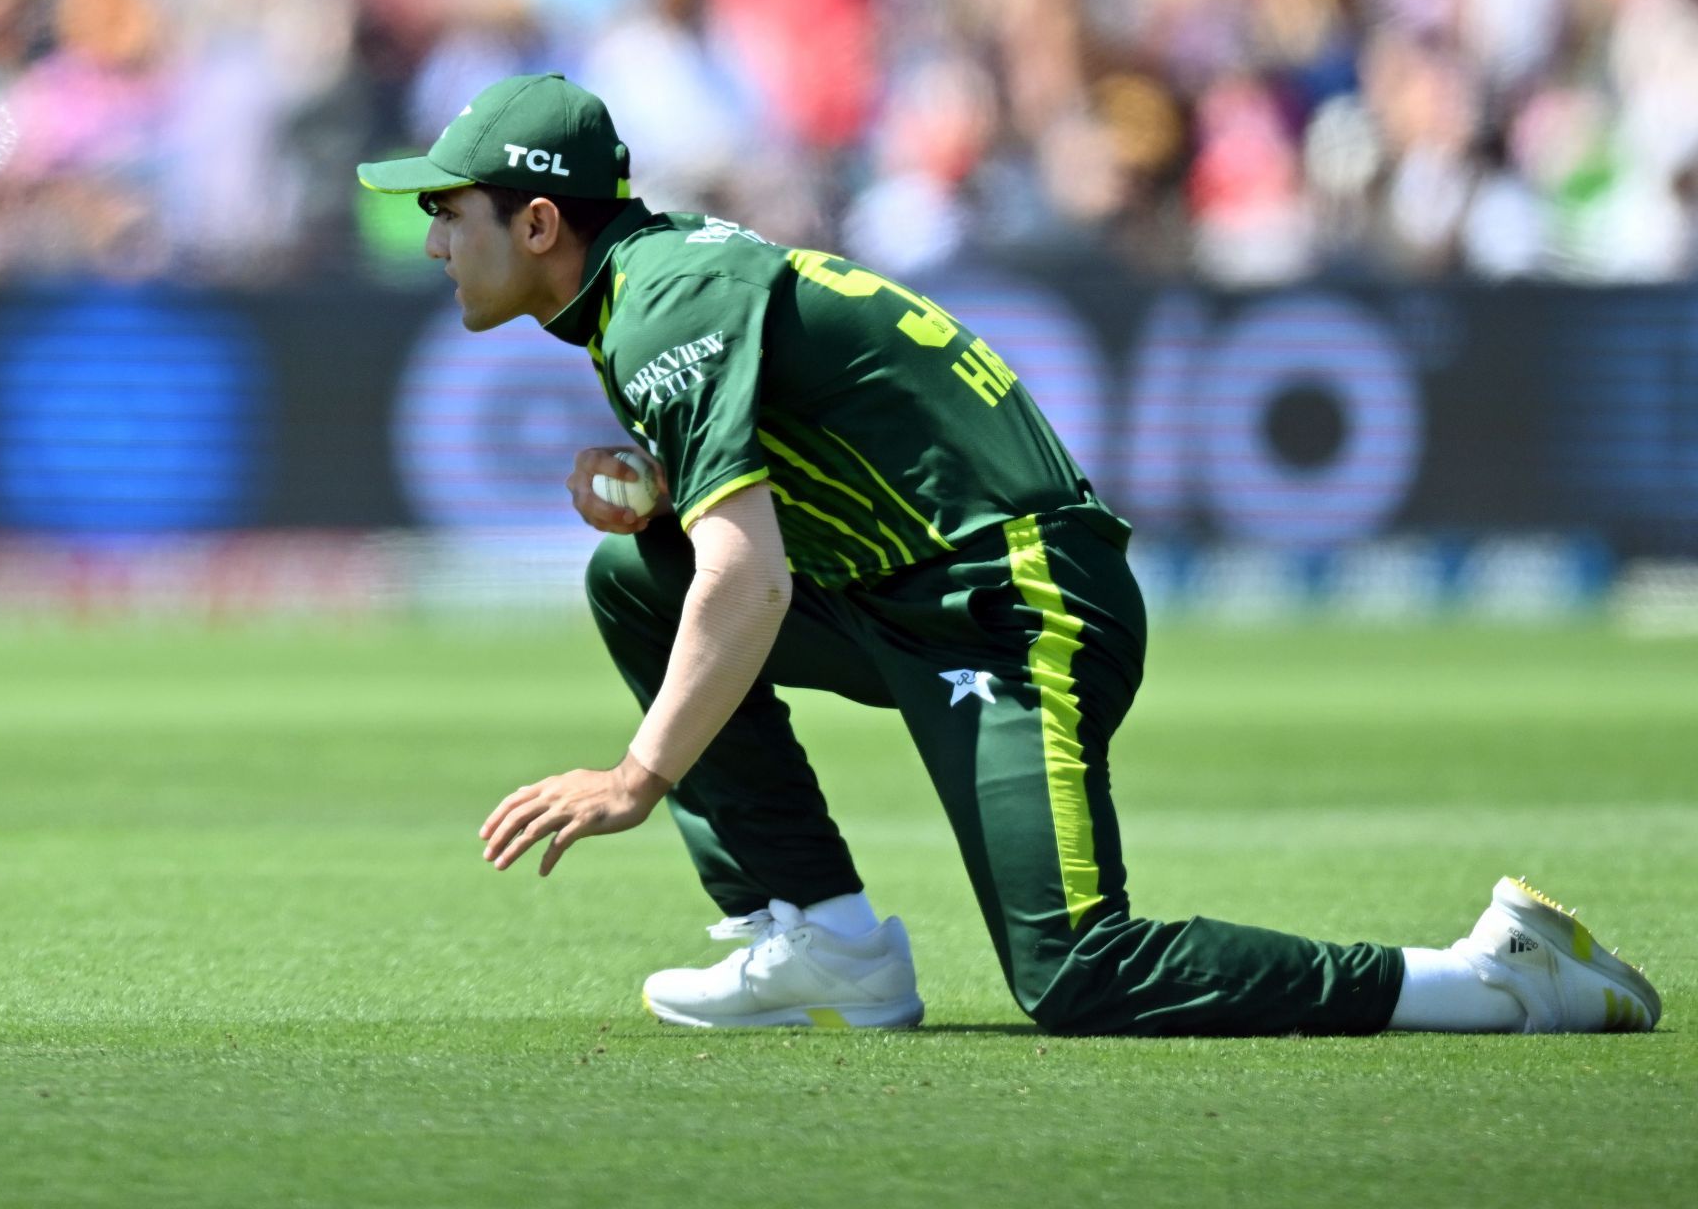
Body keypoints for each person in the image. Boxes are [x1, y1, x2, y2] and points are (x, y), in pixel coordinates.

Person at [358, 73, 1661, 1035]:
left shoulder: (660, 310)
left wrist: (638, 777)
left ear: (538, 223)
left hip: (1022, 603)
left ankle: (1490, 978)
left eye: (448, 209)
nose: (428, 238)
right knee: (634, 574)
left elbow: (749, 579)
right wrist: (660, 499)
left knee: (1080, 976)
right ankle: (825, 939)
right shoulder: (646, 288)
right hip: (918, 597)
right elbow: (802, 491)